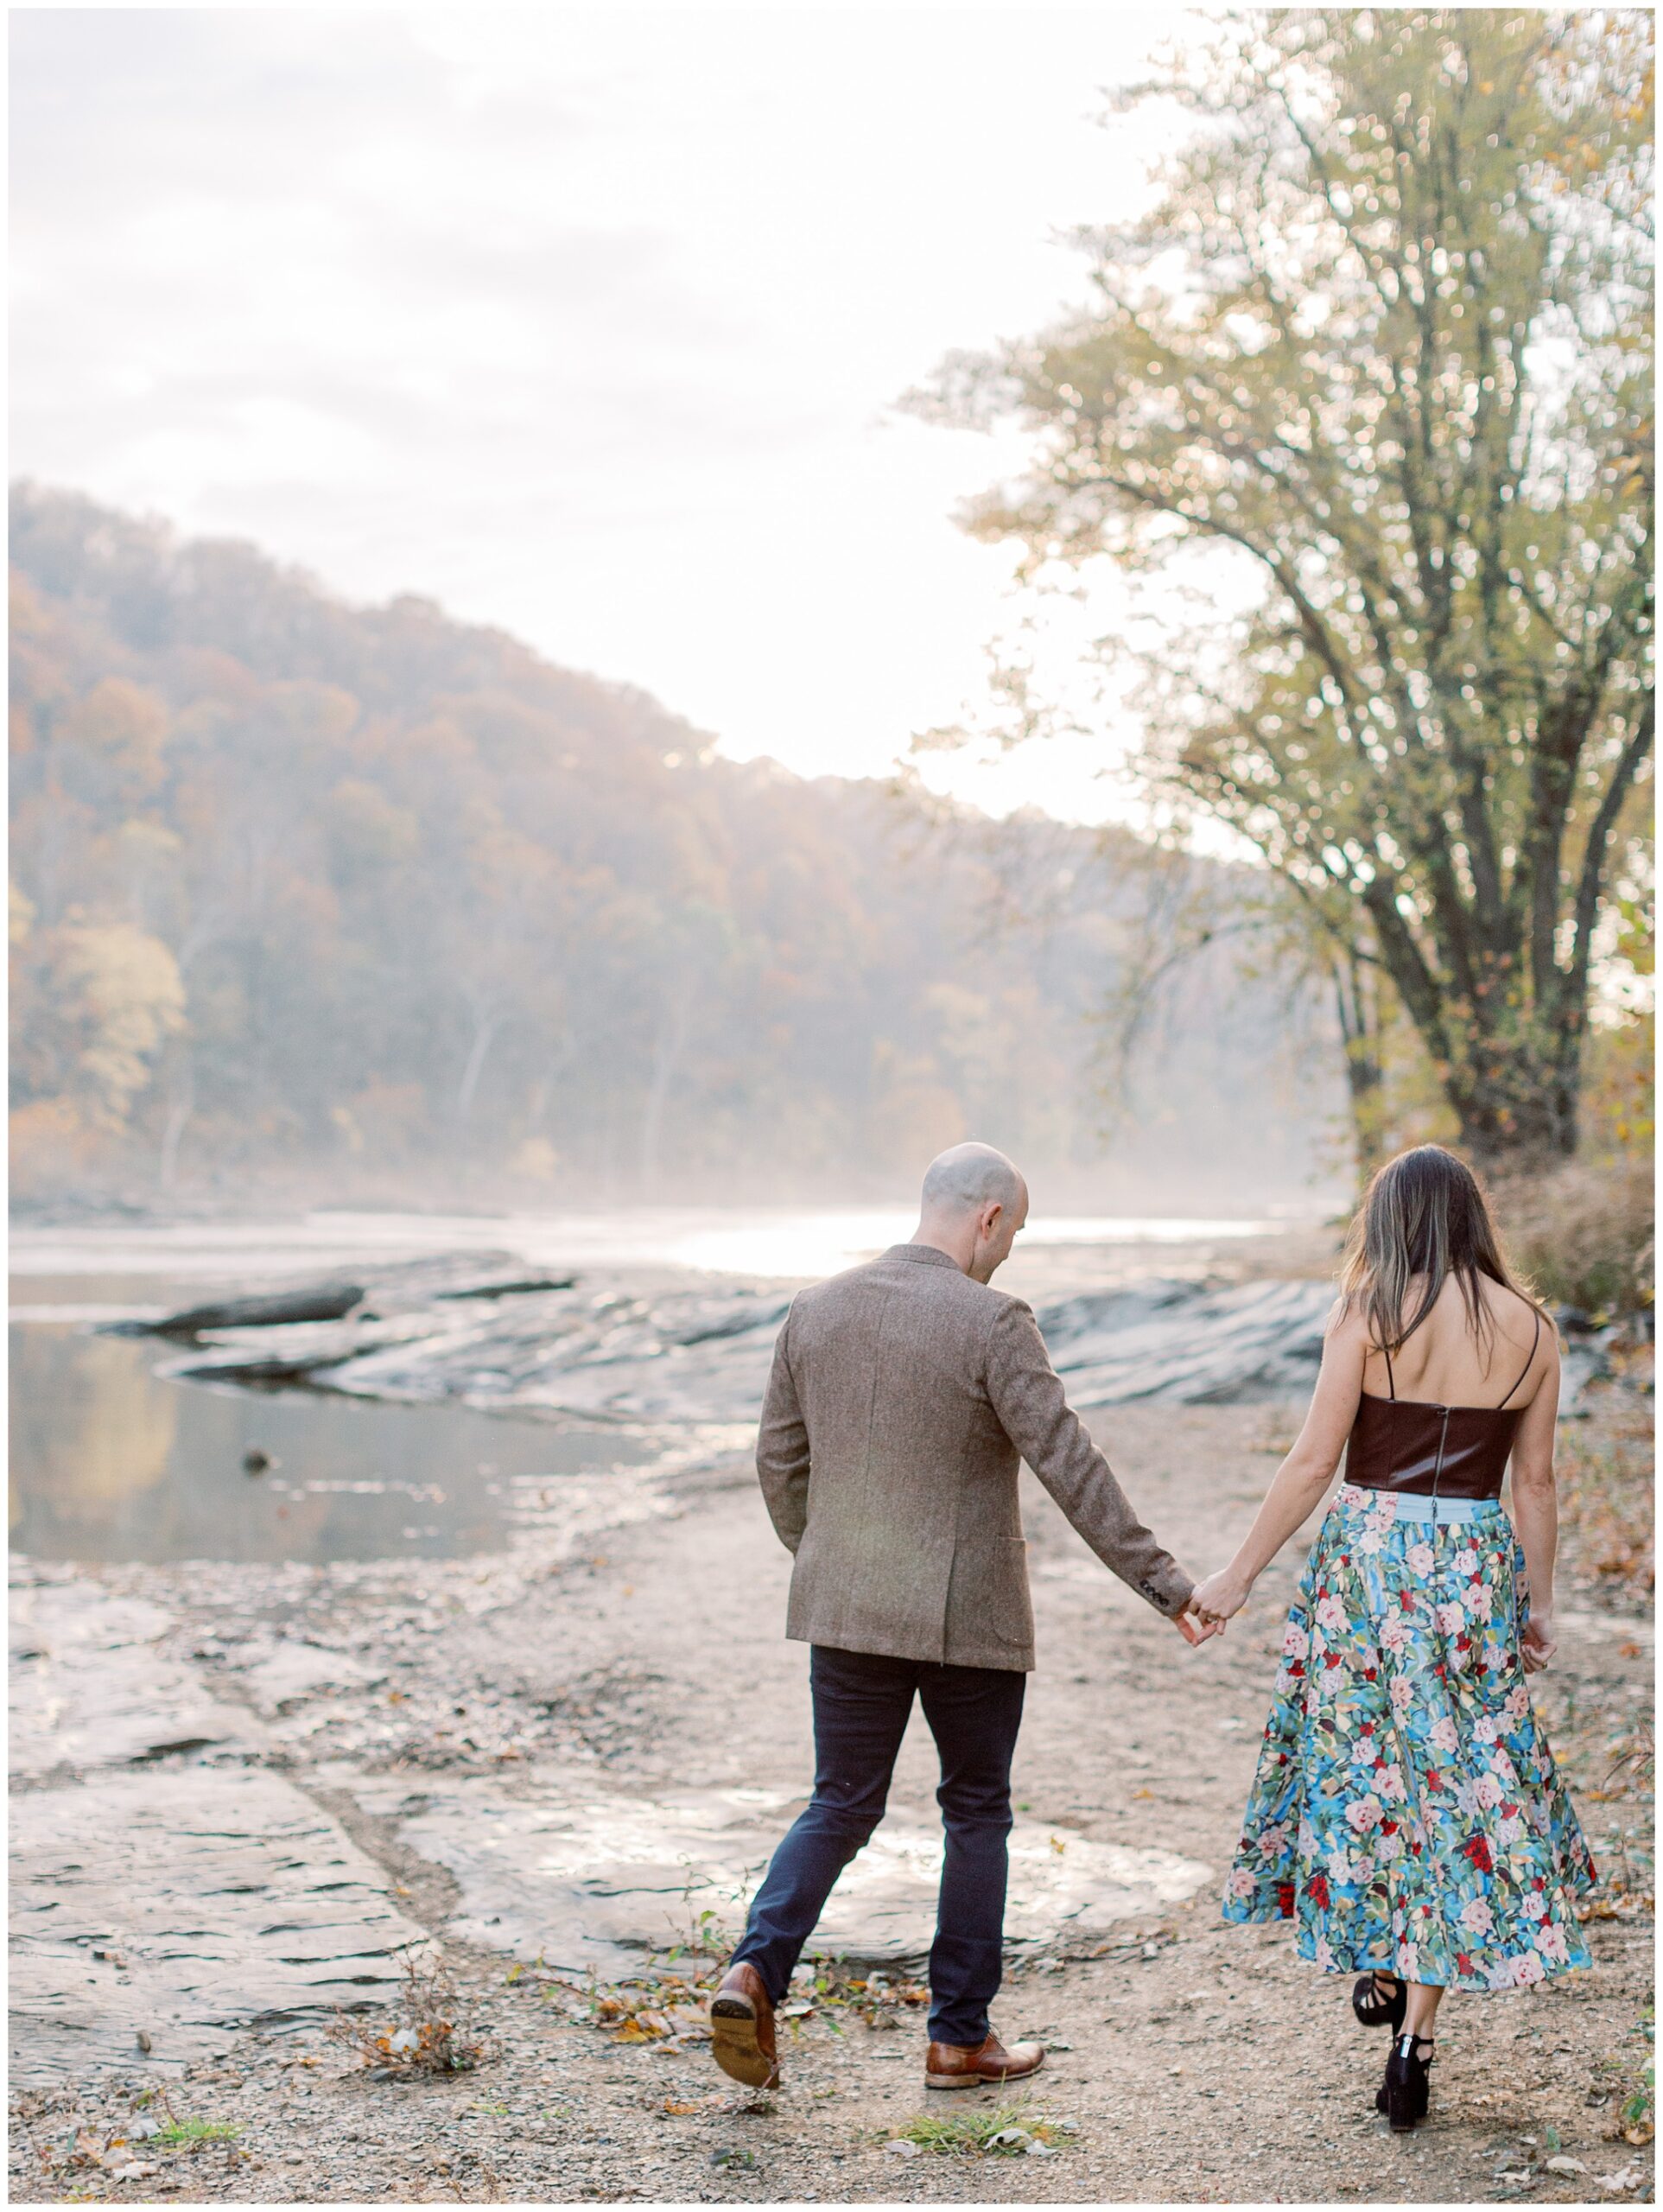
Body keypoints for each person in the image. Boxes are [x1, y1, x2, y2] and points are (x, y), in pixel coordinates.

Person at [707, 1141, 1217, 2093]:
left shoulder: (813, 1310)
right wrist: (1167, 1585)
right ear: (986, 1218)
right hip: (966, 1616)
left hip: (846, 1606)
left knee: (840, 1801)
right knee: (974, 1812)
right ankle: (957, 2038)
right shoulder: (992, 1321)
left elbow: (778, 1464)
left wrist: (830, 1563)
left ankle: (754, 1967)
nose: (1008, 1253)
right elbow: (1072, 1467)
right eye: (1013, 1232)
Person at [1190, 1145, 1596, 2133]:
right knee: (1455, 1785)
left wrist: (1234, 1575)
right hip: (1469, 1565)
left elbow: (1309, 1463)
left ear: (1393, 1219)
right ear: (1469, 1218)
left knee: (1367, 1766)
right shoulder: (1531, 1328)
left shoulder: (1369, 1313)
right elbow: (1532, 1481)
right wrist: (1537, 1603)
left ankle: (1377, 1943)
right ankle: (1412, 2040)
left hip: (1369, 1566)